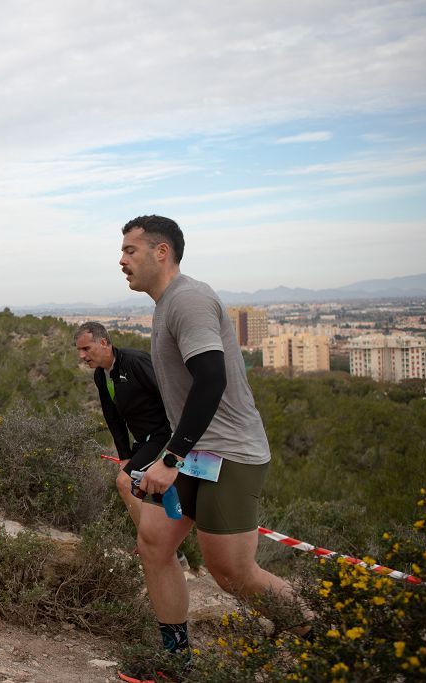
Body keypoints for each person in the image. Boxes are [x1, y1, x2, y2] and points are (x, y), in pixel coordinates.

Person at [116, 215, 308, 679]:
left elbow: (212, 378)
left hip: (229, 453)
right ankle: (175, 664)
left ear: (162, 252)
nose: (122, 261)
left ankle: (326, 637)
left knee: (232, 574)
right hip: (193, 452)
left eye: (130, 251)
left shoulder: (190, 299)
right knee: (154, 544)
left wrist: (171, 457)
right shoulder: (165, 305)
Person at [74, 322, 172, 532]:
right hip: (142, 441)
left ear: (103, 343)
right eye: (79, 350)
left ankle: (150, 542)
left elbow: (169, 395)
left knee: (124, 482)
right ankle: (163, 546)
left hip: (163, 436)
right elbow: (113, 417)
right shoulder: (101, 374)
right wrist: (124, 455)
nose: (82, 356)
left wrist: (181, 439)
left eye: (86, 349)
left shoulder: (135, 362)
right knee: (141, 490)